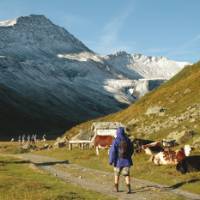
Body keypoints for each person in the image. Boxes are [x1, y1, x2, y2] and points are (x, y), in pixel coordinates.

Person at [109, 127, 134, 194]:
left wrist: (111, 161)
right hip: (127, 161)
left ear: (117, 132)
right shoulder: (128, 140)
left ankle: (116, 188)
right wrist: (129, 156)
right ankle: (129, 189)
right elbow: (132, 150)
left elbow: (113, 152)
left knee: (117, 175)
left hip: (118, 162)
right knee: (126, 175)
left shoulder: (116, 141)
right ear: (123, 132)